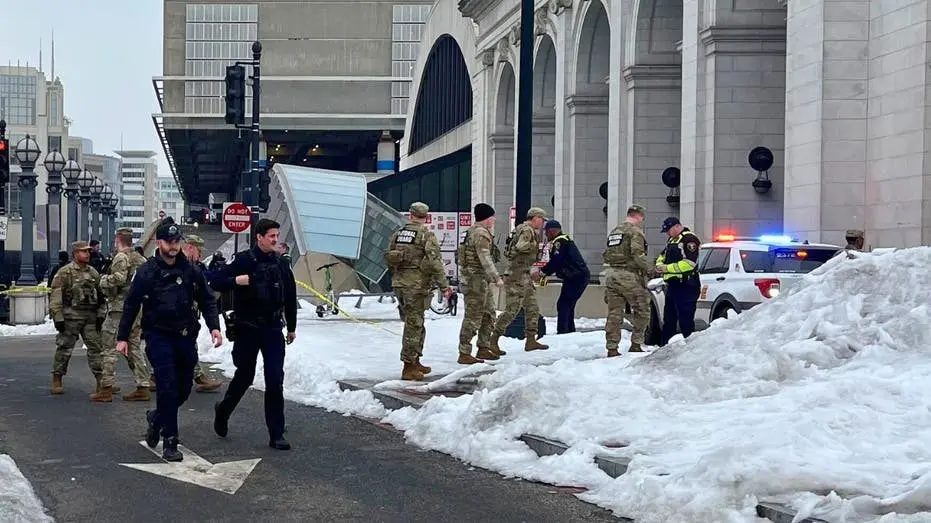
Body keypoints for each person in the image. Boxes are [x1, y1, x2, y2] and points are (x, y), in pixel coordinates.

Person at [117, 221, 222, 461]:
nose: (173, 247)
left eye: (176, 242)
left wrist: (214, 327)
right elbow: (132, 303)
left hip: (185, 337)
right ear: (159, 243)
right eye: (169, 242)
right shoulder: (147, 271)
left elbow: (207, 299)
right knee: (166, 385)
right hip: (158, 335)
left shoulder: (191, 270)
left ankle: (156, 419)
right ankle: (170, 441)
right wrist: (122, 337)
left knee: (183, 388)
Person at [211, 219, 298, 451]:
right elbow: (214, 279)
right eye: (271, 236)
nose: (275, 240)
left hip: (272, 329)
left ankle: (276, 433)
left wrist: (291, 327)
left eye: (276, 235)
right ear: (259, 237)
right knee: (245, 376)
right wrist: (235, 281)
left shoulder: (281, 265)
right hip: (248, 328)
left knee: (274, 379)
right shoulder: (244, 261)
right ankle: (223, 410)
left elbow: (290, 296)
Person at [384, 202, 451, 380]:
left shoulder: (398, 234)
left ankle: (415, 361)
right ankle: (408, 367)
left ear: (410, 215)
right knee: (414, 325)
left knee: (415, 323)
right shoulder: (425, 235)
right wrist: (444, 286)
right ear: (426, 217)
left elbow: (389, 258)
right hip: (416, 285)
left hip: (400, 284)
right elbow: (435, 262)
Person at [48, 241, 108, 398]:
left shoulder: (94, 273)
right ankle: (57, 378)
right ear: (75, 253)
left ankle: (101, 381)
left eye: (88, 251)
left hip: (90, 317)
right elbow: (56, 297)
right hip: (70, 317)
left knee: (96, 349)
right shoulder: (65, 273)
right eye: (83, 252)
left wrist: (101, 315)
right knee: (64, 348)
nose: (87, 254)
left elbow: (101, 297)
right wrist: (58, 317)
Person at [99, 228, 151, 401]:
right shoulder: (141, 259)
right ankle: (143, 384)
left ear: (117, 240)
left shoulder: (121, 257)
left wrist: (103, 280)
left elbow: (119, 279)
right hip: (136, 309)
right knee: (134, 347)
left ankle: (105, 388)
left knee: (108, 347)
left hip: (119, 308)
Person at [489, 207, 549, 353]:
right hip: (516, 276)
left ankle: (531, 340)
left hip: (524, 275)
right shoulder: (527, 230)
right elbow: (521, 246)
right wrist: (536, 246)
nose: (543, 224)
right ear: (535, 218)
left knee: (532, 308)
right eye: (542, 220)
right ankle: (493, 339)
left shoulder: (521, 229)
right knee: (512, 310)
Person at [456, 203, 504, 363]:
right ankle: (464, 352)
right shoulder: (481, 234)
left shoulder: (469, 232)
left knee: (489, 313)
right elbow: (485, 258)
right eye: (492, 217)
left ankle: (483, 347)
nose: (494, 220)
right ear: (487, 218)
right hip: (475, 280)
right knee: (473, 315)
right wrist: (497, 277)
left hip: (478, 280)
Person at [603, 205, 652, 356]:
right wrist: (650, 269)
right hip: (629, 276)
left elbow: (606, 254)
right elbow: (638, 255)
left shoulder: (615, 232)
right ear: (639, 216)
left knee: (614, 313)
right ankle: (636, 343)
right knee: (642, 310)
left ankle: (612, 347)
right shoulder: (635, 232)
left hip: (611, 275)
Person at [181, 234, 224, 393]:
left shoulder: (195, 268)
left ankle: (198, 376)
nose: (201, 255)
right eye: (199, 251)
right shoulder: (174, 265)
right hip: (168, 317)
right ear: (190, 248)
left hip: (187, 316)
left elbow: (207, 299)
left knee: (189, 344)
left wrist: (214, 326)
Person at [655, 216, 702, 345]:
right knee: (669, 320)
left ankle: (689, 348)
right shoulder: (672, 240)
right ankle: (664, 347)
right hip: (673, 285)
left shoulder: (689, 239)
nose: (667, 233)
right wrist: (659, 265)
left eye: (668, 230)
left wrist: (667, 268)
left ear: (677, 226)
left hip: (687, 285)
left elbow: (690, 263)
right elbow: (662, 256)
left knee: (685, 320)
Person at [540, 219, 591, 334]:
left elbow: (556, 261)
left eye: (546, 232)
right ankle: (569, 330)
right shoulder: (563, 240)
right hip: (574, 277)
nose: (546, 234)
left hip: (576, 277)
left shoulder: (560, 242)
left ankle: (563, 332)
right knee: (567, 304)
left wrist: (543, 272)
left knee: (564, 304)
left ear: (552, 231)